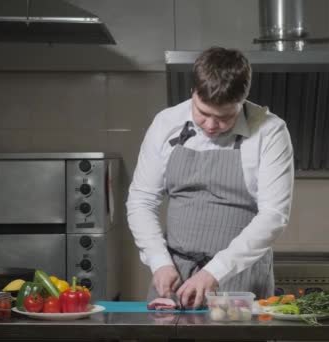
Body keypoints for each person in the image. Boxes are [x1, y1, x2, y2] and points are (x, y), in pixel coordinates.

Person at [126, 46, 294, 309]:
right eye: (202, 113)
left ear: (243, 100)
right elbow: (141, 200)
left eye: (225, 117)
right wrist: (159, 261)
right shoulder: (165, 123)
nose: (211, 126)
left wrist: (214, 272)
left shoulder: (270, 131)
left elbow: (274, 215)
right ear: (193, 92)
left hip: (241, 278)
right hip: (175, 276)